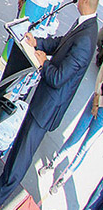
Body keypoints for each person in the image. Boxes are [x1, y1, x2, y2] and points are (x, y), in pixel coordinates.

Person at [0, 0, 100, 210]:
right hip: (42, 100)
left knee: (22, 156)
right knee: (17, 148)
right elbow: (61, 43)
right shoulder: (84, 24)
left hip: (48, 107)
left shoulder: (87, 38)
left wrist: (44, 64)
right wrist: (38, 43)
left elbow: (59, 77)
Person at [42, 59, 103, 194]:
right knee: (76, 136)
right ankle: (54, 163)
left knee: (85, 146)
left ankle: (64, 178)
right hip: (97, 99)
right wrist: (97, 99)